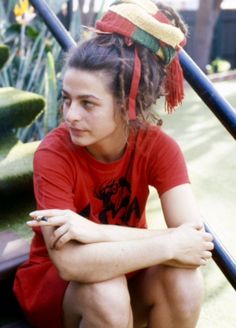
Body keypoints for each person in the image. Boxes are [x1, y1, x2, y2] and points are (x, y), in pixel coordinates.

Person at [14, 1, 214, 327]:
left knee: (185, 282)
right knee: (106, 289)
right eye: (66, 99)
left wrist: (93, 231)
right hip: (60, 288)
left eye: (87, 103)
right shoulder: (54, 153)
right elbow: (70, 263)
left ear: (126, 105)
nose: (70, 115)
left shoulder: (157, 147)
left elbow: (195, 242)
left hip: (126, 268)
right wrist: (168, 242)